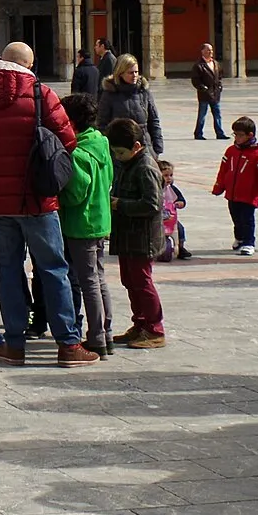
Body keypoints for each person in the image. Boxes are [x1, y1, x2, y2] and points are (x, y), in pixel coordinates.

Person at [0, 42, 100, 367]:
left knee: (7, 270)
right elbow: (68, 140)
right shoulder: (41, 94)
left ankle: (14, 344)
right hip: (37, 199)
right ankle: (67, 344)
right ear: (27, 66)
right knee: (53, 268)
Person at [58, 93, 113, 356]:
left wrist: (60, 194)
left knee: (88, 280)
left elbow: (76, 192)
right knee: (99, 278)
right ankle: (107, 332)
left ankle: (96, 335)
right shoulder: (101, 143)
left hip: (82, 222)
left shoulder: (78, 152)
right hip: (101, 218)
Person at [108, 117, 167, 349]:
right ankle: (140, 323)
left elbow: (152, 204)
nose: (117, 157)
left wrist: (119, 204)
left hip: (142, 237)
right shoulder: (127, 164)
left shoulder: (145, 167)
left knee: (142, 282)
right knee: (129, 280)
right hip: (127, 235)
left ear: (136, 146)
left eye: (120, 152)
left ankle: (155, 328)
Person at [211, 117, 258, 255]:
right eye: (235, 134)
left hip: (248, 195)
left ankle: (249, 242)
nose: (237, 138)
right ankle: (239, 238)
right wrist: (219, 186)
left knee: (247, 219)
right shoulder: (231, 151)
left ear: (250, 135)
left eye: (240, 135)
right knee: (236, 218)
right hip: (232, 193)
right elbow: (224, 169)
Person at [98, 54, 163, 156]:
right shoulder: (110, 93)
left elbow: (153, 120)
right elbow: (102, 124)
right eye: (130, 73)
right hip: (120, 150)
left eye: (136, 72)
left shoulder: (143, 91)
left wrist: (157, 147)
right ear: (120, 73)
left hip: (144, 147)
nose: (135, 76)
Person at [191, 43, 227, 141]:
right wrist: (203, 88)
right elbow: (195, 80)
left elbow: (219, 76)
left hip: (215, 94)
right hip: (204, 95)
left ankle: (220, 133)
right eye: (208, 50)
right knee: (202, 115)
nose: (210, 52)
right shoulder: (198, 65)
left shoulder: (215, 63)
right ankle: (198, 133)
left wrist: (219, 86)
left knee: (217, 114)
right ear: (202, 51)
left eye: (211, 50)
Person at [156, 160, 191, 261]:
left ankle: (180, 246)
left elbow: (181, 199)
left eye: (171, 175)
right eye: (166, 175)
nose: (169, 178)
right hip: (157, 217)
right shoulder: (154, 188)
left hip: (170, 217)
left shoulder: (171, 189)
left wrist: (180, 203)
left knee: (179, 228)